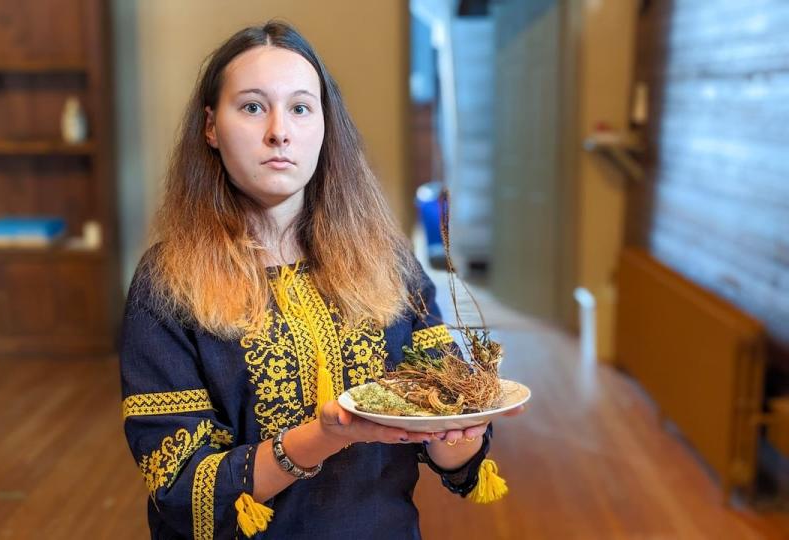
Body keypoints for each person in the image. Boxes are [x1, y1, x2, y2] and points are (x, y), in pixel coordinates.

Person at [120, 21, 519, 540]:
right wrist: (320, 438)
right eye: (252, 107)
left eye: (301, 108)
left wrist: (460, 431)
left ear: (325, 126)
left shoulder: (389, 263)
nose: (278, 132)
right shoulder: (167, 283)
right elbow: (179, 488)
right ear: (211, 127)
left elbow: (450, 456)